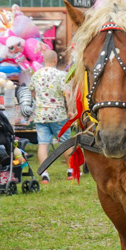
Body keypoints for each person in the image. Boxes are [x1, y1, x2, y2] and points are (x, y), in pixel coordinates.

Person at [30, 49, 71, 183]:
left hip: (41, 115)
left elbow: (33, 93)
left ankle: (45, 175)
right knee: (65, 142)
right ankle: (71, 171)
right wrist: (70, 110)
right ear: (55, 60)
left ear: (43, 60)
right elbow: (68, 94)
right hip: (58, 114)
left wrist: (40, 102)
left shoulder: (36, 75)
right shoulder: (61, 75)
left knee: (43, 144)